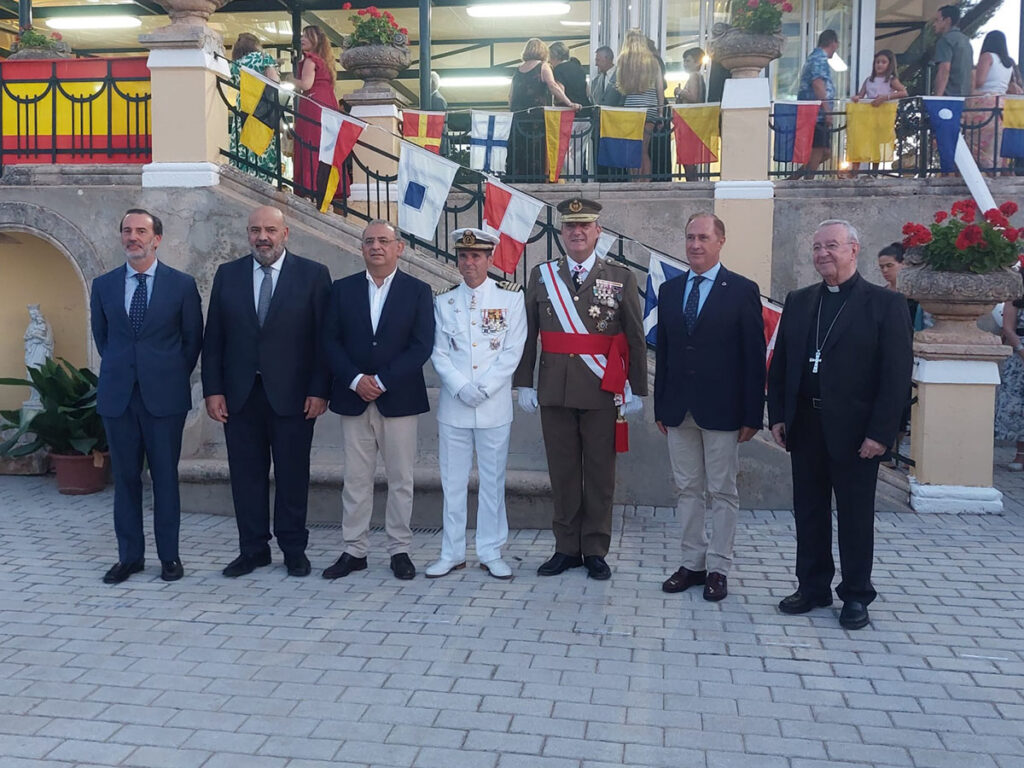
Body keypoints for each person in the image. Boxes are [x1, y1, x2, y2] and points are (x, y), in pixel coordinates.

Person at [767, 220, 913, 630]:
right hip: (806, 424)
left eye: (831, 245)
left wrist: (881, 434)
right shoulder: (799, 301)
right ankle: (812, 587)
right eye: (816, 247)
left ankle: (855, 595)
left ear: (854, 249)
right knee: (808, 512)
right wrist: (778, 415)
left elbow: (896, 375)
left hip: (856, 432)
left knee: (854, 516)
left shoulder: (884, 305)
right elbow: (781, 364)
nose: (822, 254)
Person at [513, 198, 648, 581]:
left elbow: (635, 338)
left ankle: (595, 549)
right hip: (554, 390)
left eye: (584, 226)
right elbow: (528, 334)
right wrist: (524, 382)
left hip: (602, 390)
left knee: (601, 473)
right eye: (570, 227)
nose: (577, 232)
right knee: (564, 472)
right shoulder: (542, 276)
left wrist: (636, 387)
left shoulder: (620, 277)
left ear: (597, 232)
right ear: (561, 233)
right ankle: (566, 547)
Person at [202, 205, 331, 579]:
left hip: (293, 396)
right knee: (246, 477)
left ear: (285, 233)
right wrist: (213, 391)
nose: (263, 237)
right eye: (256, 229)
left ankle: (294, 549)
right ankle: (253, 549)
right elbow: (214, 340)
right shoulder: (228, 275)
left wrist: (319, 389)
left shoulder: (313, 275)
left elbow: (324, 340)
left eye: (271, 230)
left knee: (293, 476)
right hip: (240, 397)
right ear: (247, 234)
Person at [655, 213, 765, 602]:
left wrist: (754, 414)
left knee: (722, 491)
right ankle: (692, 563)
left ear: (720, 241)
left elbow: (754, 357)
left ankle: (719, 567)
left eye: (703, 237)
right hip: (678, 410)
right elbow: (665, 352)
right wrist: (660, 406)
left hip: (722, 410)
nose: (695, 244)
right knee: (687, 489)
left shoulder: (741, 290)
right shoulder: (670, 290)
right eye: (689, 237)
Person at [91, 209, 203, 584]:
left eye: (141, 231)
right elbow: (104, 339)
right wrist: (128, 370)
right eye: (126, 230)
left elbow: (192, 342)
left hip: (164, 399)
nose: (132, 237)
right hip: (118, 398)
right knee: (125, 479)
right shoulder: (103, 285)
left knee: (165, 480)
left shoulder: (182, 285)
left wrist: (165, 374)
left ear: (157, 239)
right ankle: (130, 557)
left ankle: (169, 557)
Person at [321, 220, 435, 582]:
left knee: (401, 478)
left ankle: (399, 549)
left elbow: (421, 345)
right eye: (369, 241)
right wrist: (355, 380)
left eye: (384, 241)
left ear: (399, 247)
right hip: (353, 397)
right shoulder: (342, 289)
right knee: (356, 479)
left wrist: (382, 380)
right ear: (361, 248)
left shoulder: (418, 291)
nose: (376, 247)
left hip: (398, 398)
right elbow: (329, 341)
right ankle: (354, 550)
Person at [427, 228, 527, 580]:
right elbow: (439, 353)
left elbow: (513, 351)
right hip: (454, 406)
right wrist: (460, 387)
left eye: (476, 256)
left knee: (492, 481)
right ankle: (451, 552)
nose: (469, 263)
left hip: (493, 405)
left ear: (489, 259)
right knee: (452, 483)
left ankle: (490, 550)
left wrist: (482, 389)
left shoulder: (511, 299)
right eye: (463, 256)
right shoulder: (443, 301)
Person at [507, 38, 579, 181]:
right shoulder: (543, 66)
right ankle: (536, 180)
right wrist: (569, 102)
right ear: (543, 51)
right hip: (536, 119)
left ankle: (518, 181)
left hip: (518, 119)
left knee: (519, 153)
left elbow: (510, 96)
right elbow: (552, 86)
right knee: (536, 153)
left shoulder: (517, 70)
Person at [291, 25, 336, 202]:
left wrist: (289, 79)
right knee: (323, 146)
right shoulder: (325, 62)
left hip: (313, 105)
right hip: (327, 105)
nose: (302, 39)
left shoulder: (311, 60)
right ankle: (324, 187)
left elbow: (306, 85)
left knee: (309, 143)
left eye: (307, 37)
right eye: (302, 36)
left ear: (315, 41)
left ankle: (309, 189)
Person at [229, 32, 281, 182]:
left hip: (243, 106)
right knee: (262, 142)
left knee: (243, 143)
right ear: (255, 45)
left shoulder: (235, 64)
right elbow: (274, 80)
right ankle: (262, 179)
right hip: (261, 106)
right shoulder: (263, 58)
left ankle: (244, 178)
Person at [616, 28, 664, 180]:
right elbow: (660, 88)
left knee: (632, 149)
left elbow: (621, 86)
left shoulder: (623, 60)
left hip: (631, 109)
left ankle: (634, 181)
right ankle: (646, 181)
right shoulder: (653, 61)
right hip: (650, 108)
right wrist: (660, 113)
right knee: (644, 149)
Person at [791, 30, 839, 180]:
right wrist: (827, 110)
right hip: (816, 114)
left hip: (814, 111)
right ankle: (807, 180)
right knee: (819, 148)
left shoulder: (814, 58)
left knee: (825, 151)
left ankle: (796, 177)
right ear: (833, 43)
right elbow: (818, 83)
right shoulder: (819, 59)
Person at [849, 50, 907, 173]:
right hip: (867, 117)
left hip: (882, 117)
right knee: (861, 141)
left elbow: (903, 92)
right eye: (877, 62)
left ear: (889, 65)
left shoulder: (891, 80)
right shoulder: (868, 80)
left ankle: (874, 172)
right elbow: (861, 94)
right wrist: (857, 98)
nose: (879, 65)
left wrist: (885, 97)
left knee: (877, 143)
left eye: (883, 62)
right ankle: (854, 170)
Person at [967, 31, 1017, 171]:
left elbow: (980, 81)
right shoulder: (1009, 63)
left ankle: (980, 173)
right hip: (1002, 104)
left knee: (975, 142)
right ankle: (997, 170)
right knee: (996, 143)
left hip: (986, 102)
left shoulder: (987, 57)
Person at [550, 41, 592, 180]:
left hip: (568, 115)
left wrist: (556, 101)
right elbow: (587, 91)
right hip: (586, 114)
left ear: (554, 56)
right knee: (579, 151)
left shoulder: (558, 70)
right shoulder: (578, 68)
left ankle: (573, 180)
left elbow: (560, 90)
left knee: (565, 150)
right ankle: (578, 179)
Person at [995, 298, 1024, 470]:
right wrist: (1020, 349)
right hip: (1020, 355)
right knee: (1018, 406)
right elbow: (1008, 327)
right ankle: (1020, 455)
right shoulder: (1015, 298)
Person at [591, 45, 625, 182]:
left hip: (616, 127)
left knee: (617, 160)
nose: (595, 63)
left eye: (598, 60)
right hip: (599, 128)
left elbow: (623, 99)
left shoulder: (622, 77)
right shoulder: (595, 81)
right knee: (600, 161)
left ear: (607, 59)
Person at [674, 47, 708, 182]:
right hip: (692, 120)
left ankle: (691, 182)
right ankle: (692, 181)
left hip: (689, 121)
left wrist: (679, 91)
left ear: (696, 62)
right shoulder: (698, 77)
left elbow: (694, 96)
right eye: (684, 61)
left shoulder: (694, 76)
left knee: (687, 157)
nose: (685, 64)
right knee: (688, 157)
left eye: (688, 61)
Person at [877, 242, 924, 331]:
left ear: (903, 264)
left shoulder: (914, 294)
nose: (885, 270)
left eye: (889, 265)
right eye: (882, 267)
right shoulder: (881, 293)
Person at [931, 5, 974, 98]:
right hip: (965, 98)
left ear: (947, 21)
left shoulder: (945, 40)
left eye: (937, 20)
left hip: (949, 97)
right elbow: (972, 73)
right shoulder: (966, 41)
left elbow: (944, 70)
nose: (934, 24)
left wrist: (937, 98)